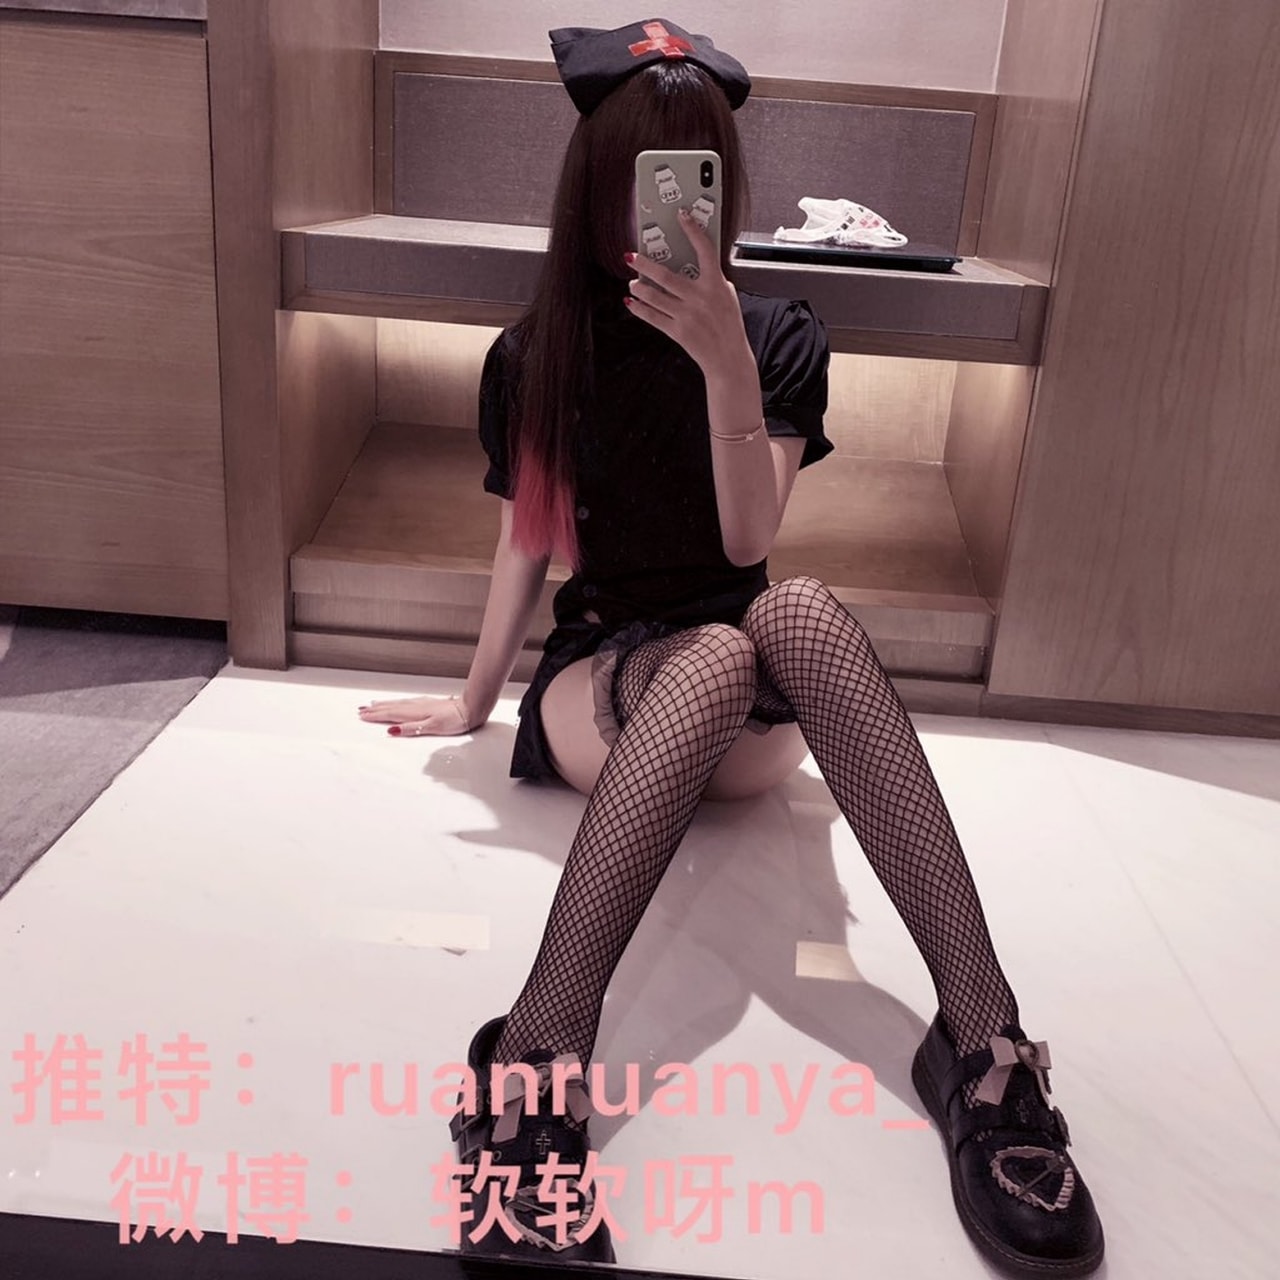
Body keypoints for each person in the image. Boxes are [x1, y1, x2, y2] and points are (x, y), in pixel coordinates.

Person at [358, 18, 1104, 1277]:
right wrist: (476, 697)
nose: (669, 209)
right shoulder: (535, 354)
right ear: (596, 185)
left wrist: (722, 366)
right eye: (644, 177)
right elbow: (527, 540)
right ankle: (534, 1053)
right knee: (708, 654)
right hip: (606, 682)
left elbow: (749, 539)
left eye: (694, 175)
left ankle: (983, 1042)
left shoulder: (776, 338)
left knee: (791, 608)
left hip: (739, 690)